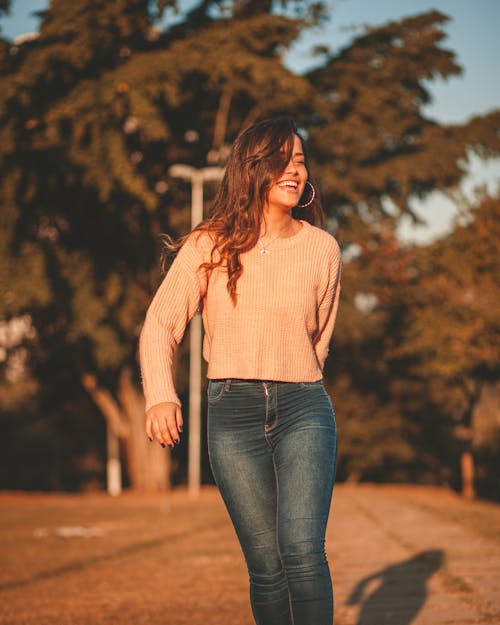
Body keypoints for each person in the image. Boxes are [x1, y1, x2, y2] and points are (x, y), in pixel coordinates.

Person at [139, 116, 342, 625]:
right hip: (232, 413)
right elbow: (161, 322)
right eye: (282, 160)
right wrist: (161, 395)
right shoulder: (210, 244)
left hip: (304, 406)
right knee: (267, 568)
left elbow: (320, 340)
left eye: (300, 160)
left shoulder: (323, 249)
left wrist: (294, 375)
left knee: (301, 548)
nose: (295, 170)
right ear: (253, 168)